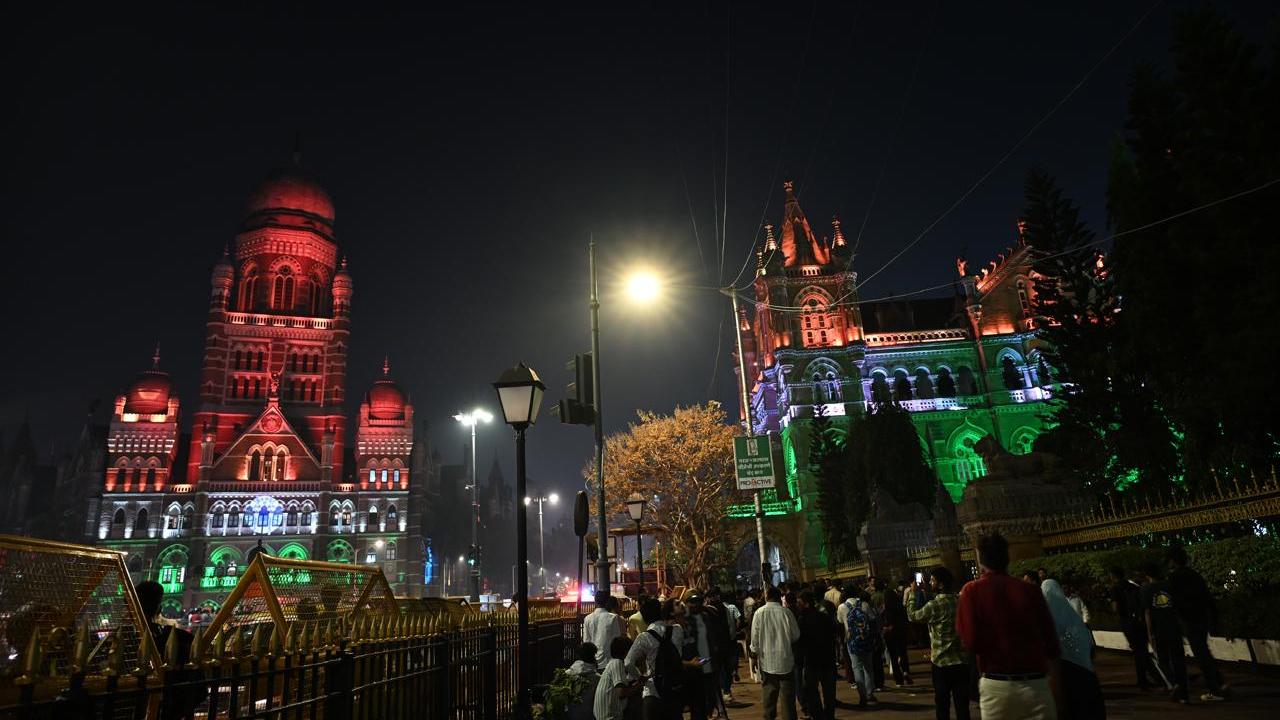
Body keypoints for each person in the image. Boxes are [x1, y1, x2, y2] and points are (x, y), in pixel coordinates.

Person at [956, 533, 1060, 720]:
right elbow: (1052, 643)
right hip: (1035, 684)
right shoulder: (1030, 590)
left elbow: (970, 641)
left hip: (997, 684)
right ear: (1007, 557)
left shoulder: (971, 591)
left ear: (980, 560)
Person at [135, 580, 207, 720]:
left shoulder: (128, 637)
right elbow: (198, 690)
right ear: (159, 608)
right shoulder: (180, 638)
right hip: (171, 707)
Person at [907, 567, 970, 720]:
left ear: (941, 584)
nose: (930, 582)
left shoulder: (934, 605)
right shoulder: (959, 601)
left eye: (933, 580)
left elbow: (913, 615)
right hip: (961, 660)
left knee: (942, 704)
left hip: (941, 662)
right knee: (962, 704)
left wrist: (913, 594)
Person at [1166, 546, 1225, 701]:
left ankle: (1215, 689)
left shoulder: (1174, 577)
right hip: (1201, 617)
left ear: (1172, 561)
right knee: (1203, 651)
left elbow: (1173, 601)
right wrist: (1213, 618)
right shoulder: (1195, 575)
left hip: (1188, 619)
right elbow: (1207, 596)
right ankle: (1219, 683)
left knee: (1201, 653)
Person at [1041, 579, 1105, 719]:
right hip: (1087, 675)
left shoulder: (1048, 622)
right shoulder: (1075, 619)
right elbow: (1091, 649)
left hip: (1065, 676)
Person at [625, 597, 686, 720]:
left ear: (644, 618)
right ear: (661, 612)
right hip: (674, 688)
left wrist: (640, 678)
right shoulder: (678, 630)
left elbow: (628, 663)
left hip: (652, 690)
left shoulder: (644, 637)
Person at [750, 586, 801, 720]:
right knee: (788, 700)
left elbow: (754, 639)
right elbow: (796, 635)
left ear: (767, 597)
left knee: (769, 700)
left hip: (767, 662)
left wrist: (753, 657)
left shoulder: (759, 613)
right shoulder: (787, 613)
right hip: (785, 661)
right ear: (779, 597)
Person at [1141, 561, 1189, 704]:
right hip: (1174, 627)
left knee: (1162, 660)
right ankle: (1183, 694)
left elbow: (1147, 612)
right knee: (1179, 661)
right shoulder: (1169, 585)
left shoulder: (1146, 589)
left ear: (1147, 574)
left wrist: (1150, 634)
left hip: (1159, 630)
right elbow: (1177, 606)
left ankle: (1175, 684)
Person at [1108, 566, 1158, 690]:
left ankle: (1150, 678)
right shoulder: (1133, 586)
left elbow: (1115, 608)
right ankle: (1146, 678)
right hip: (1139, 622)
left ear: (1113, 576)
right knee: (1142, 650)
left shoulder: (1115, 588)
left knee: (1138, 652)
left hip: (1127, 622)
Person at [795, 591, 836, 720]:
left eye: (799, 602)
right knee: (829, 690)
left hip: (812, 659)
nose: (798, 605)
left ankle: (818, 715)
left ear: (806, 603)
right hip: (827, 657)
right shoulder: (824, 617)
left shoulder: (802, 619)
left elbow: (800, 641)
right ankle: (829, 714)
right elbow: (832, 635)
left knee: (811, 689)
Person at [840, 587, 879, 708]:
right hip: (866, 640)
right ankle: (869, 693)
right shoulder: (864, 604)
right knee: (868, 667)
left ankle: (862, 696)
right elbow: (873, 619)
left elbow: (840, 621)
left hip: (852, 641)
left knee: (857, 668)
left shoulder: (842, 607)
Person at [597, 636, 642, 720]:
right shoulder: (617, 663)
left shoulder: (613, 663)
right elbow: (621, 693)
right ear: (626, 652)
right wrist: (639, 686)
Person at [882, 581, 912, 686]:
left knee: (893, 657)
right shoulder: (900, 607)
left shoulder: (885, 610)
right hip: (900, 632)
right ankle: (906, 671)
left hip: (890, 634)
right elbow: (905, 619)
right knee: (903, 654)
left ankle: (898, 679)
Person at [584, 592, 623, 666]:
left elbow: (586, 641)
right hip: (609, 660)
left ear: (595, 602)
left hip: (593, 660)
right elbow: (617, 641)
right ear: (607, 602)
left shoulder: (587, 619)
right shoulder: (613, 618)